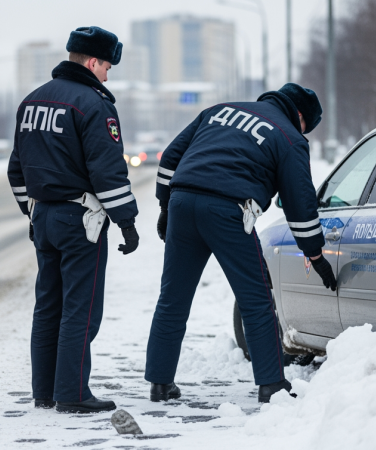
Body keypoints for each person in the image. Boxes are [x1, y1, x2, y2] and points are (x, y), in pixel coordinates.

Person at [146, 83, 338, 403]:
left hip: (183, 202)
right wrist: (315, 255)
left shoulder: (218, 111)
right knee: (256, 299)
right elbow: (300, 205)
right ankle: (272, 384)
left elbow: (169, 159)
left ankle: (160, 383)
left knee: (173, 297)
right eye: (307, 127)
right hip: (228, 210)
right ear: (300, 116)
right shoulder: (289, 137)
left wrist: (166, 206)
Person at [8, 26, 139, 414]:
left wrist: (31, 212)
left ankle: (44, 391)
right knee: (80, 308)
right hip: (80, 220)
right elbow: (107, 171)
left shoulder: (32, 101)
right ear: (93, 61)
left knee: (47, 306)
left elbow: (17, 168)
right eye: (107, 67)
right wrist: (127, 222)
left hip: (44, 217)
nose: (107, 76)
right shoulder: (93, 105)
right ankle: (72, 393)